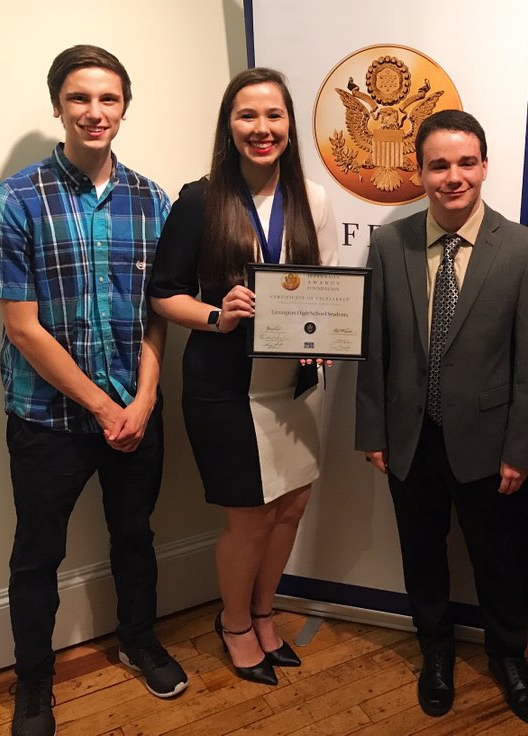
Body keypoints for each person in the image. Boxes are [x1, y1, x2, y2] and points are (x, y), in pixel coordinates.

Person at [0, 45, 188, 736]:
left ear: (124, 107)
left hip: (137, 409)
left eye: (108, 99)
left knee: (135, 535)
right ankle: (34, 681)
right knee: (37, 554)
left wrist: (145, 402)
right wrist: (102, 407)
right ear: (58, 106)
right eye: (79, 99)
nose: (95, 113)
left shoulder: (155, 201)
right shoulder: (15, 199)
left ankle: (138, 638)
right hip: (46, 419)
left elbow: (161, 312)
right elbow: (22, 328)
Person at [355, 109, 528, 725]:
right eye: (439, 164)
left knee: (497, 559)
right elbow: (375, 348)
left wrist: (521, 449)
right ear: (419, 172)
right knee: (423, 555)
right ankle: (435, 652)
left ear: (485, 166)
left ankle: (508, 656)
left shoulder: (524, 249)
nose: (453, 176)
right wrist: (373, 432)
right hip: (410, 439)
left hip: (490, 443)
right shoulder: (391, 244)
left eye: (465, 162)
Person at [149, 68, 338, 687]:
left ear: (290, 125)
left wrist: (331, 342)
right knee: (250, 518)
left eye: (274, 116)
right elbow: (163, 295)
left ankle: (263, 612)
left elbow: (328, 289)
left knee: (291, 506)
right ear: (229, 127)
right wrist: (215, 314)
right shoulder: (201, 199)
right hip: (225, 387)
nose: (262, 129)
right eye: (247, 116)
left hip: (294, 385)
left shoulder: (314, 196)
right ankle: (233, 624)